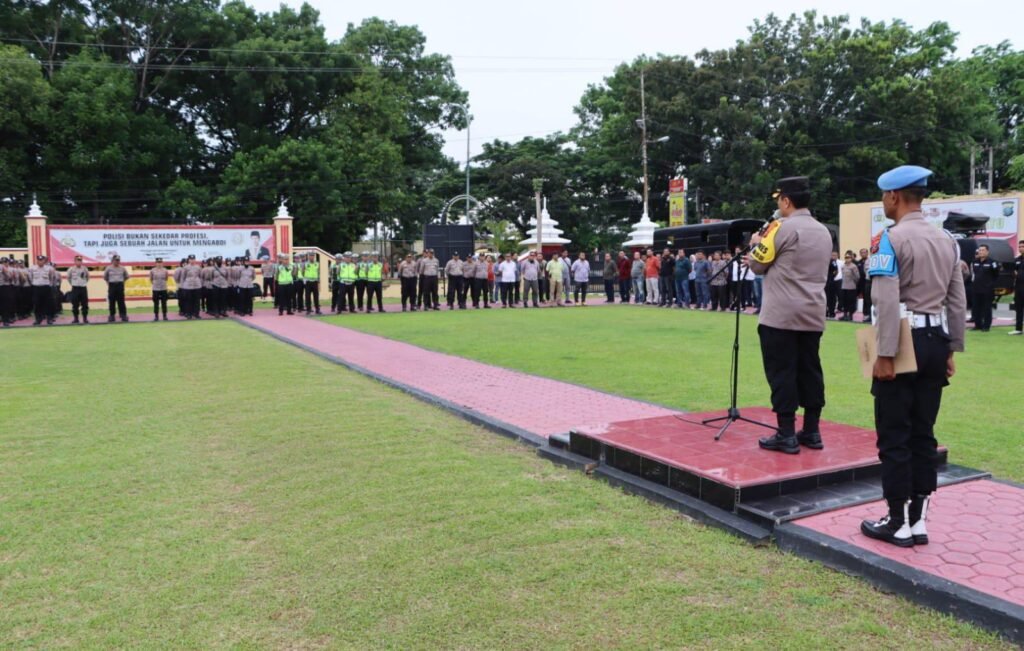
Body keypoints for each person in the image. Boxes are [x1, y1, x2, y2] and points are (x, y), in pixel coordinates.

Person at [859, 165, 967, 547]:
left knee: (894, 433)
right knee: (924, 432)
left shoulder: (889, 239)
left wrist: (884, 353)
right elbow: (957, 299)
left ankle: (896, 520)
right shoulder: (947, 241)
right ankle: (918, 520)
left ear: (893, 196)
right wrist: (952, 347)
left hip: (902, 340)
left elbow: (886, 299)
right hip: (937, 339)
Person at [747, 176, 832, 454]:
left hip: (781, 315)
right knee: (810, 371)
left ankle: (785, 433)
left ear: (786, 201)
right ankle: (812, 430)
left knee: (782, 372)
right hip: (813, 313)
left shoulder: (780, 228)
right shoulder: (823, 231)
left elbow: (757, 265)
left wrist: (753, 244)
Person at [970, 244, 999, 332]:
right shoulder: (974, 261)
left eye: (983, 250)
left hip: (987, 290)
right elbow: (973, 274)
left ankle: (986, 326)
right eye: (980, 250)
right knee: (976, 308)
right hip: (976, 289)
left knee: (987, 308)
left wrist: (990, 285)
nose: (981, 252)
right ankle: (978, 325)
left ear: (987, 251)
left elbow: (996, 275)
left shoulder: (992, 262)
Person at [29, 255, 58, 325]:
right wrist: (33, 284)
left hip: (46, 287)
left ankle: (49, 319)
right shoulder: (32, 268)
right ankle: (38, 319)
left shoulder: (49, 268)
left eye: (42, 260)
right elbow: (30, 278)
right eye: (39, 260)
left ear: (44, 261)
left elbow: (52, 277)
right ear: (37, 261)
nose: (40, 262)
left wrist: (49, 284)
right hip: (36, 288)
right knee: (37, 304)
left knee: (48, 304)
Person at [103, 255, 129, 322]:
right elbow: (105, 277)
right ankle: (112, 316)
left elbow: (126, 276)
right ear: (112, 260)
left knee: (121, 302)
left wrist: (122, 282)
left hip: (120, 285)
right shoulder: (108, 268)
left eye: (118, 260)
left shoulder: (122, 268)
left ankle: (123, 315)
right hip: (112, 286)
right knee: (112, 302)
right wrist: (109, 284)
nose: (117, 262)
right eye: (116, 260)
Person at [67, 256, 91, 324]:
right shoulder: (71, 269)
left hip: (83, 288)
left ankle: (85, 318)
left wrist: (84, 283)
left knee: (85, 304)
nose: (79, 262)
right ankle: (76, 318)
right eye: (77, 260)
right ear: (75, 261)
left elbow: (88, 277)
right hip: (75, 288)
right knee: (75, 304)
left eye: (80, 261)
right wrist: (73, 284)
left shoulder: (84, 269)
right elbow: (68, 278)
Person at [839, 252, 861, 321]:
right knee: (844, 302)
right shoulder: (843, 266)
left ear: (851, 259)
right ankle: (845, 315)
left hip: (851, 287)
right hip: (844, 286)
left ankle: (850, 316)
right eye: (846, 257)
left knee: (851, 302)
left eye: (848, 258)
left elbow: (857, 277)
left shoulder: (853, 266)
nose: (847, 259)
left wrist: (854, 283)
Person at [1012, 240, 1024, 335]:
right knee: (1019, 308)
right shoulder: (1017, 260)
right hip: (1019, 287)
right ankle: (1018, 329)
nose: (1020, 248)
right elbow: (1014, 272)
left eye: (1022, 246)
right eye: (1019, 247)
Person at [0, 257, 16, 326]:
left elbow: (10, 278)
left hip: (5, 287)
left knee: (6, 304)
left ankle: (6, 320)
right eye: (2, 262)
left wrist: (5, 272)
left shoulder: (9, 269)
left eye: (5, 262)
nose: (4, 264)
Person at [825, 251, 841, 319]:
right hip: (824, 282)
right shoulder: (823, 260)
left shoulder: (832, 261)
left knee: (832, 298)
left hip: (831, 282)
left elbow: (836, 271)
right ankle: (825, 312)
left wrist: (831, 276)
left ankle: (831, 312)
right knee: (825, 298)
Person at [857, 248, 871, 323]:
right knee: (864, 299)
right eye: (862, 253)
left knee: (869, 299)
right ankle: (865, 314)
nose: (863, 254)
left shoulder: (871, 260)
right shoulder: (858, 262)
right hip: (861, 283)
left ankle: (870, 314)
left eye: (865, 252)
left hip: (868, 281)